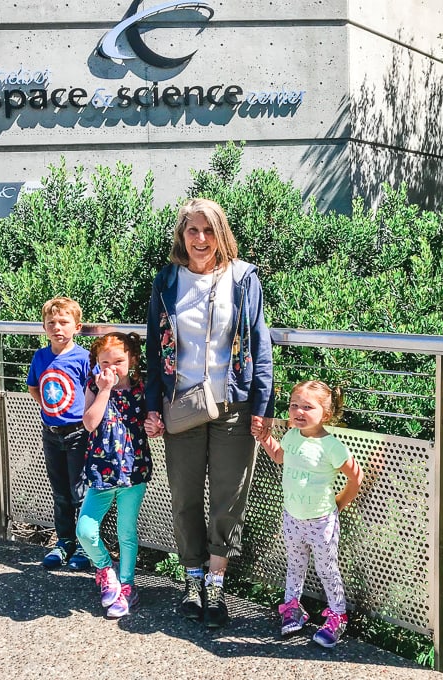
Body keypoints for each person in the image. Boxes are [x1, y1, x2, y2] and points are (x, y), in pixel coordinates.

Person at [144, 197, 274, 628]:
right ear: (182, 236)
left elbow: (260, 346)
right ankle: (192, 579)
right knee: (183, 496)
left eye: (208, 230)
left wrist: (263, 406)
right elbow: (151, 351)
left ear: (221, 234)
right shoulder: (166, 281)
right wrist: (152, 407)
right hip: (180, 405)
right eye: (192, 231)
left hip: (232, 406)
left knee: (227, 499)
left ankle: (216, 587)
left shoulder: (242, 278)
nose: (201, 239)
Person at [257, 380, 364, 647]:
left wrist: (338, 505)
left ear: (325, 415)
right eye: (294, 406)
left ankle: (338, 616)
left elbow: (356, 478)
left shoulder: (331, 446)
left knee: (327, 569)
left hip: (321, 521)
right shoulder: (292, 436)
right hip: (292, 517)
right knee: (295, 565)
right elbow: (281, 457)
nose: (299, 412)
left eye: (307, 407)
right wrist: (265, 438)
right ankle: (292, 607)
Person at [76, 331, 152, 618]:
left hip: (134, 471)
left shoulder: (141, 388)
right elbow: (89, 423)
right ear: (96, 362)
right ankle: (106, 570)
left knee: (126, 533)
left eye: (118, 361)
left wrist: (155, 425)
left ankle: (128, 585)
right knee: (85, 530)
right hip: (101, 472)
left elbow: (150, 422)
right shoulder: (95, 387)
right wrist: (105, 390)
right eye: (104, 361)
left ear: (131, 360)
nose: (111, 367)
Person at [27, 296, 92, 570]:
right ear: (44, 327)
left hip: (78, 434)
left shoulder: (84, 358)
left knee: (81, 492)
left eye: (64, 322)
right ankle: (64, 542)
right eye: (51, 323)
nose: (57, 328)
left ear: (77, 327)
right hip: (51, 433)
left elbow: (94, 391)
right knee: (61, 493)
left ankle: (87, 547)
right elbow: (33, 387)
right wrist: (49, 410)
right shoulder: (40, 357)